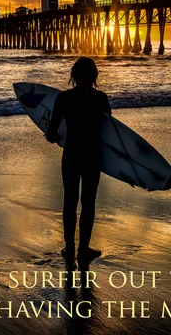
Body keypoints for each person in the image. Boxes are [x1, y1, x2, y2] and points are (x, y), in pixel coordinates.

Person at [45, 57, 111, 271]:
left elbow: (52, 133)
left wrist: (56, 136)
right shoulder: (101, 98)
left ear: (73, 75)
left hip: (72, 154)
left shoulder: (63, 98)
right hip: (92, 155)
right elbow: (109, 132)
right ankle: (84, 248)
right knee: (88, 202)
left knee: (70, 200)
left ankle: (69, 248)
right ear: (94, 76)